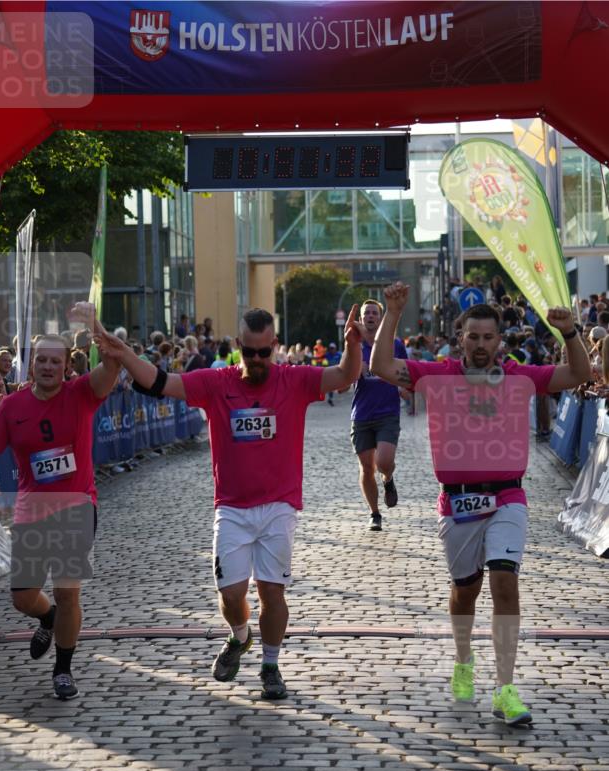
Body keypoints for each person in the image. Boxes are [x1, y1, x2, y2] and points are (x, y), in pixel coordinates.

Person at [94, 305, 362, 700]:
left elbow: (345, 375)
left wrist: (353, 345)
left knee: (273, 593)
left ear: (274, 346)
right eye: (249, 352)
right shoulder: (217, 383)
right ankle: (240, 636)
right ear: (238, 346)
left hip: (279, 506)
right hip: (232, 509)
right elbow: (161, 381)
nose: (256, 360)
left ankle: (271, 666)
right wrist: (125, 356)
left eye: (263, 352)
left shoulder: (294, 380)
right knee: (231, 594)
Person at [370, 285, 592, 726]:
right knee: (465, 590)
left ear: (500, 341)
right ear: (461, 339)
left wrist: (570, 333)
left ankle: (505, 688)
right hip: (457, 504)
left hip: (509, 494)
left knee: (505, 584)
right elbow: (379, 366)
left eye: (488, 337)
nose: (480, 344)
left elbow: (578, 375)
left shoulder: (521, 377)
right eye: (473, 337)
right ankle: (463, 659)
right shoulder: (436, 375)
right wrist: (393, 313)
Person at [0, 308, 122, 701]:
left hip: (77, 504)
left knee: (68, 590)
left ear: (67, 365)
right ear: (31, 363)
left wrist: (95, 327)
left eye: (56, 361)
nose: (48, 367)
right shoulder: (12, 406)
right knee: (23, 597)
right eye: (41, 360)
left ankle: (63, 669)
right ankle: (48, 617)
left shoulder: (83, 393)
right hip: (31, 508)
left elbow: (112, 363)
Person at [351, 298, 408, 532]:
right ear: (362, 319)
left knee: (383, 461)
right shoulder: (353, 345)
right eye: (367, 314)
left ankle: (388, 478)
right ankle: (374, 513)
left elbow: (406, 372)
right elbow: (343, 380)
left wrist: (406, 389)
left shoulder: (395, 345)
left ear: (381, 318)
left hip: (388, 412)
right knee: (366, 468)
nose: (371, 317)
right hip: (362, 413)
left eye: (375, 313)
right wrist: (356, 371)